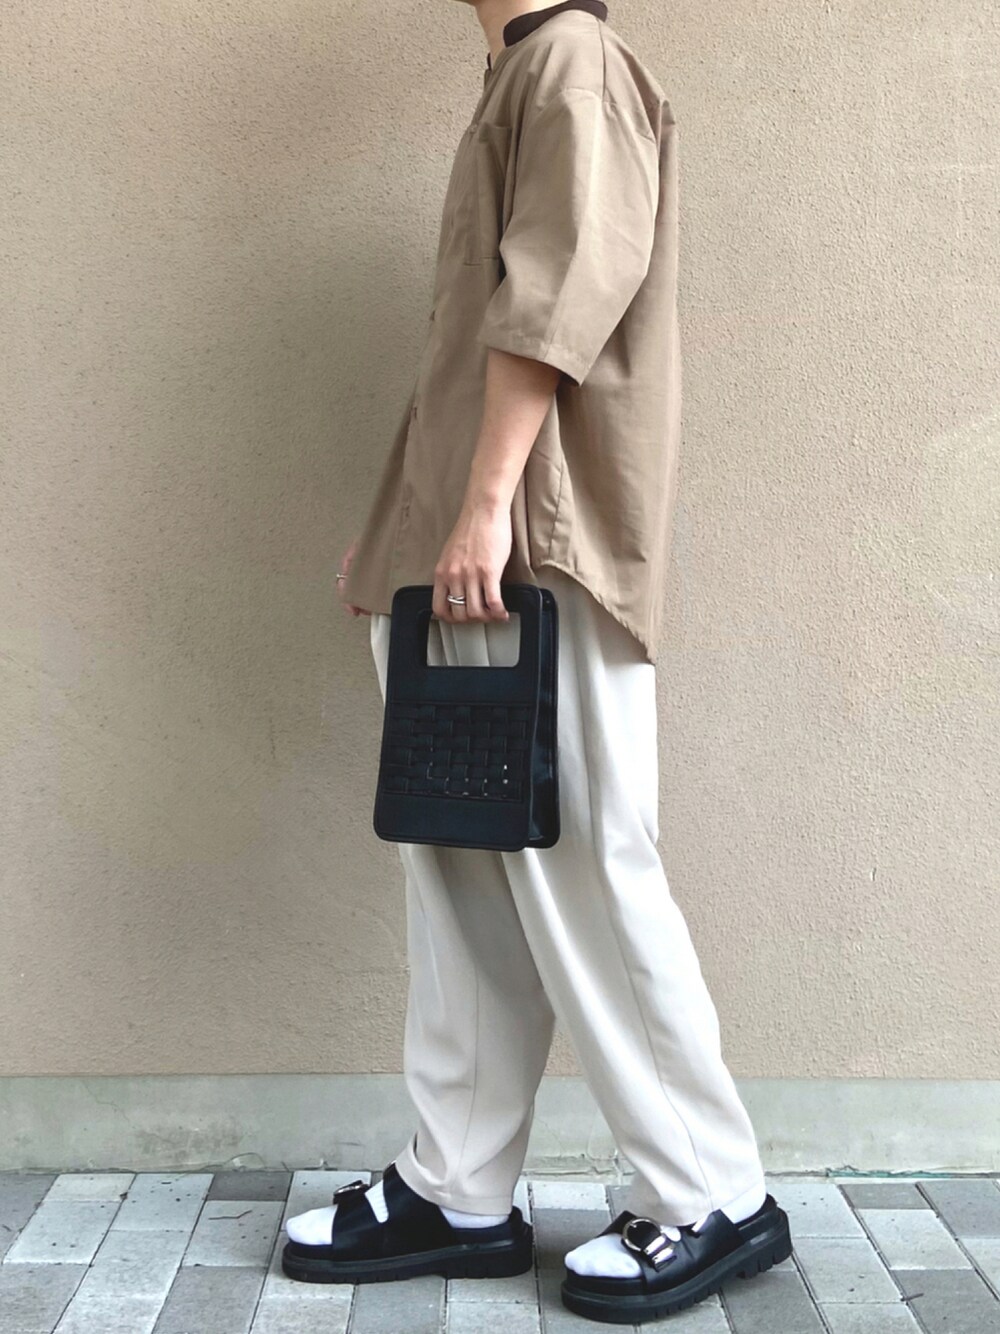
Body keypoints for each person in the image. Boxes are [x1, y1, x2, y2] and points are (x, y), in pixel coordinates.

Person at [282, 1, 792, 1322]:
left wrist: (481, 509)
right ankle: (459, 1186)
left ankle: (711, 1191)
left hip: (531, 552)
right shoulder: (518, 69)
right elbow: (473, 345)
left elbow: (560, 303)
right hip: (468, 551)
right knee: (461, 876)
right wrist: (406, 526)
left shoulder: (572, 65)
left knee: (588, 870)